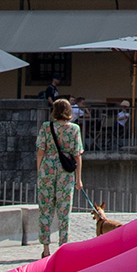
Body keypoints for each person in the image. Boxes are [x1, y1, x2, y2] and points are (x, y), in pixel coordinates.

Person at [35, 97, 84, 256]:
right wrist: (78, 179)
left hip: (47, 170)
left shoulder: (46, 127)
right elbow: (77, 155)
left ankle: (46, 248)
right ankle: (63, 248)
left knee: (45, 210)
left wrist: (40, 171)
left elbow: (41, 151)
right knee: (64, 211)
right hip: (66, 172)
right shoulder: (75, 129)